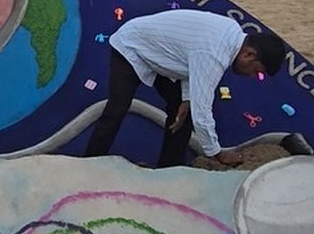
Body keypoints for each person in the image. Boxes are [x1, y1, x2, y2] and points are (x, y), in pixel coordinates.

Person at [85, 10, 285, 168]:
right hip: (131, 45)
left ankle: (168, 170)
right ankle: (89, 164)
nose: (251, 76)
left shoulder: (231, 33)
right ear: (249, 54)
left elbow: (191, 62)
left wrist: (187, 99)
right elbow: (203, 109)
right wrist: (216, 153)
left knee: (183, 111)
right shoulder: (215, 54)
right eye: (256, 71)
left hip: (163, 57)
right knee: (117, 108)